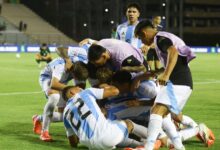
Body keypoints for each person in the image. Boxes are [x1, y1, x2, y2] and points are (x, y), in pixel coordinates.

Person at [133, 19, 213, 150]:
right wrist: (157, 72)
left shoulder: (159, 38)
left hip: (178, 81)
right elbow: (172, 59)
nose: (142, 42)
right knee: (162, 114)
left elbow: (173, 52)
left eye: (141, 38)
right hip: (179, 81)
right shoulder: (161, 38)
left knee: (157, 111)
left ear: (144, 32)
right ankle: (178, 146)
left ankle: (149, 147)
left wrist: (166, 75)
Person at [62, 85, 157, 149]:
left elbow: (73, 143)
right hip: (106, 137)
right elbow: (115, 91)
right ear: (72, 92)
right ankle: (151, 141)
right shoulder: (85, 93)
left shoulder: (65, 113)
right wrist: (106, 86)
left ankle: (141, 144)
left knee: (112, 127)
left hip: (90, 146)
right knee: (128, 123)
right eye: (77, 88)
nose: (80, 88)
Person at [32, 56, 88, 142]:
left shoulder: (81, 67)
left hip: (61, 82)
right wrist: (72, 89)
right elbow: (53, 84)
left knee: (64, 115)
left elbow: (80, 88)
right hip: (48, 79)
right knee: (55, 97)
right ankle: (44, 132)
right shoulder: (60, 66)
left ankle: (39, 118)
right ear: (72, 71)